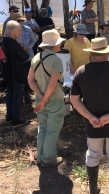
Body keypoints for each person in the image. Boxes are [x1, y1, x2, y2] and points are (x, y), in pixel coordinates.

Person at [70, 38, 109, 194]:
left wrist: (90, 117)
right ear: (107, 52)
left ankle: (93, 189)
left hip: (92, 124)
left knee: (93, 154)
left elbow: (74, 99)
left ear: (91, 52)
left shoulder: (81, 71)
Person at [28, 29, 66, 167]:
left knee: (42, 127)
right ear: (55, 45)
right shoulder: (56, 60)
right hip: (54, 100)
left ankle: (40, 156)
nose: (60, 46)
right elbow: (52, 84)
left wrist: (40, 96)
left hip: (40, 100)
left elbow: (30, 80)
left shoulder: (35, 58)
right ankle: (48, 159)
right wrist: (45, 99)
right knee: (53, 129)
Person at [2, 21, 29, 127]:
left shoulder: (4, 41)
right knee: (17, 95)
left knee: (10, 94)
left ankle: (9, 116)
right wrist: (23, 49)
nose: (21, 32)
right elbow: (25, 56)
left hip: (7, 71)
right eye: (19, 30)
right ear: (11, 31)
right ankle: (16, 119)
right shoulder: (13, 43)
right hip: (16, 72)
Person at [10, 13, 37, 106]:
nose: (21, 22)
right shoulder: (10, 31)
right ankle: (19, 95)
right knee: (18, 77)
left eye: (22, 20)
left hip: (28, 56)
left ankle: (27, 93)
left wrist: (28, 47)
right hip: (16, 58)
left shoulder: (28, 29)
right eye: (19, 21)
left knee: (27, 76)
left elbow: (34, 41)